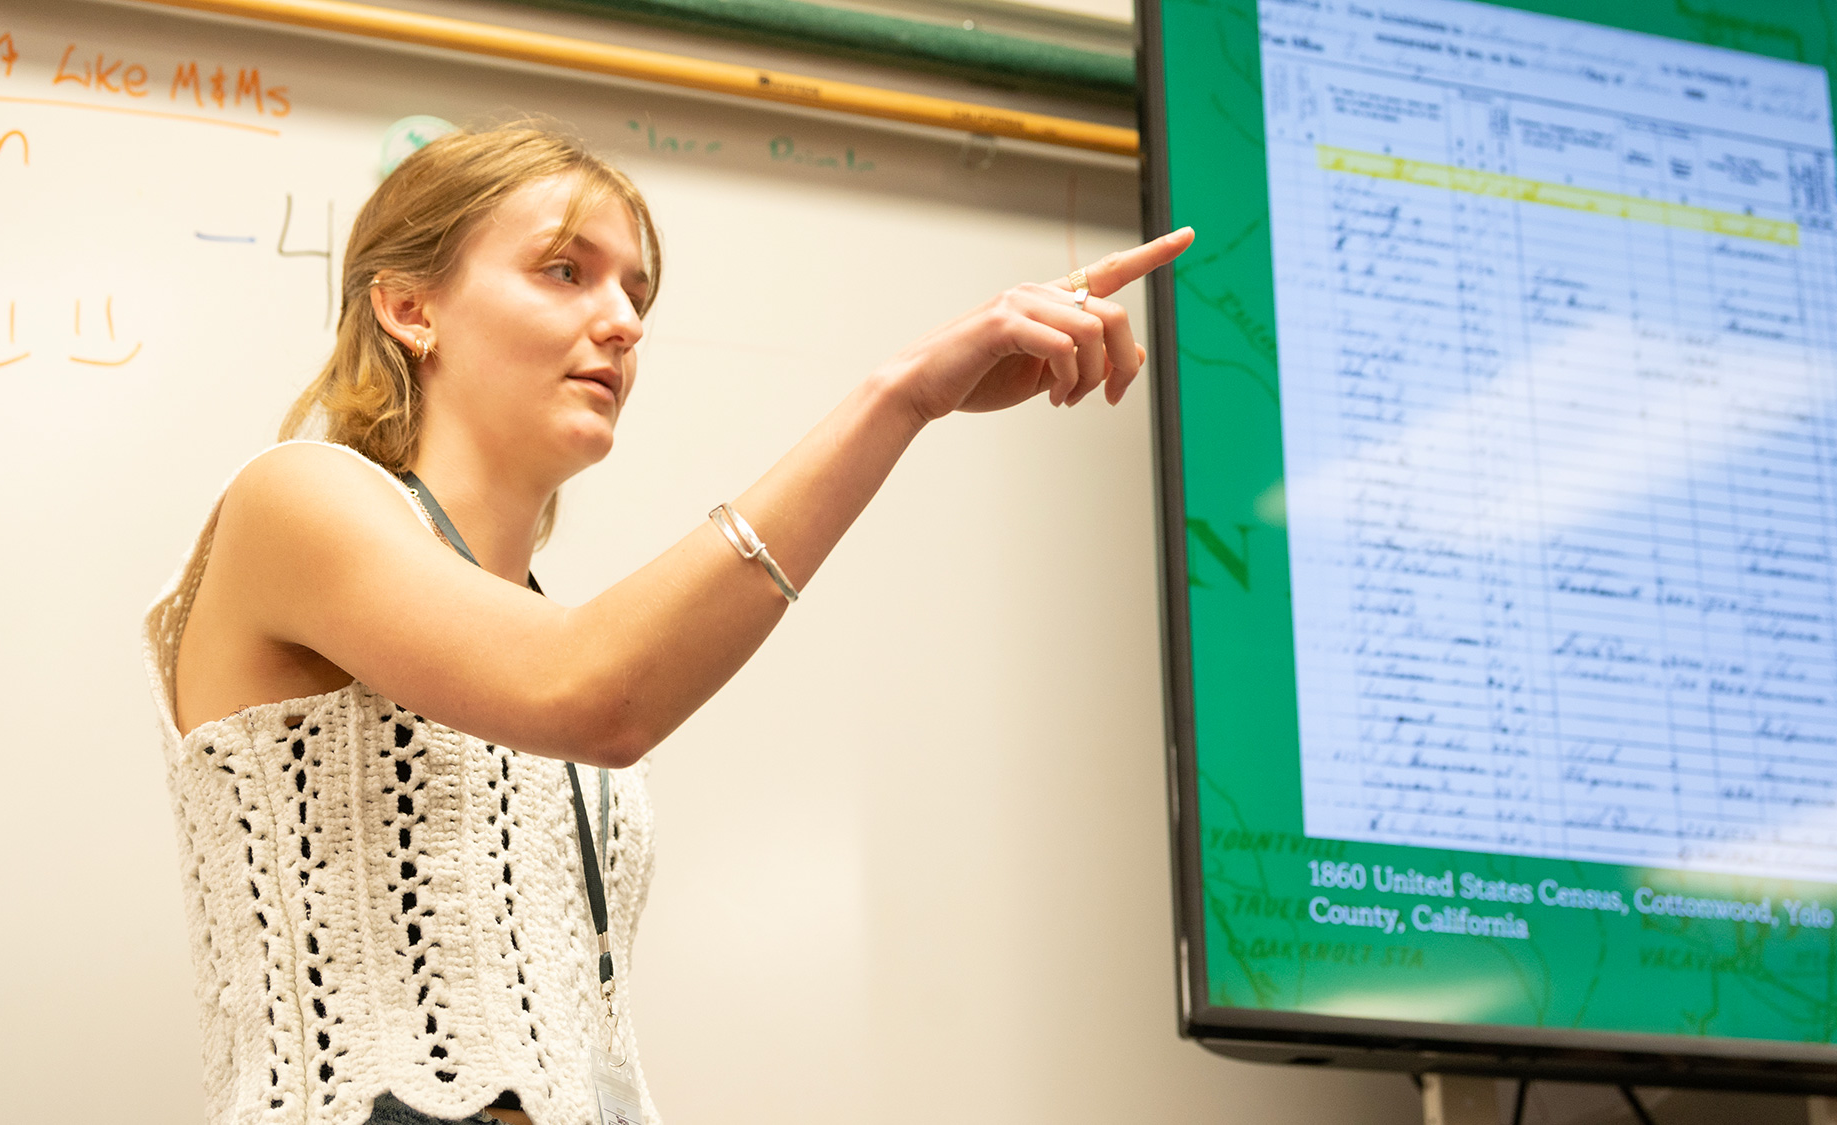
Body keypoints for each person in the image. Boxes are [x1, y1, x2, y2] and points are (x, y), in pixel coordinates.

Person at [144, 122, 1191, 1125]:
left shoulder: (540, 617)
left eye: (635, 290)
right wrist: (899, 398)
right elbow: (593, 693)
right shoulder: (296, 499)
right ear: (411, 308)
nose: (623, 320)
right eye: (566, 270)